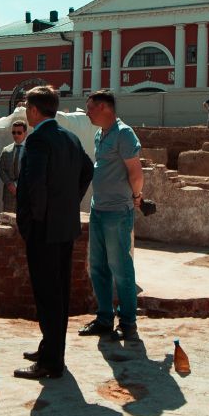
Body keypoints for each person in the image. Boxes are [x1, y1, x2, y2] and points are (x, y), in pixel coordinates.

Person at [14, 85, 93, 380]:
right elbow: (88, 170)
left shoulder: (38, 140)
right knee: (58, 292)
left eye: (27, 107)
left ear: (34, 111)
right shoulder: (69, 137)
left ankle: (51, 362)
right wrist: (69, 203)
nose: (26, 112)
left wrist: (34, 220)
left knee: (48, 294)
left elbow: (34, 185)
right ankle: (51, 348)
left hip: (44, 230)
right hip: (64, 227)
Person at [81, 90, 145, 343]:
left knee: (121, 269)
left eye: (90, 107)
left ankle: (128, 323)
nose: (87, 112)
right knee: (98, 267)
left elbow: (135, 172)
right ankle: (104, 318)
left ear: (104, 108)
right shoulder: (101, 134)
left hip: (117, 211)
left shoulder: (124, 133)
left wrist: (137, 196)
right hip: (98, 209)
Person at [0, 119, 28, 213]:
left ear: (25, 133)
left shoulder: (31, 150)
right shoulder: (6, 150)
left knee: (24, 220)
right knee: (8, 219)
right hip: (9, 194)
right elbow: (1, 169)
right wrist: (10, 184)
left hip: (25, 193)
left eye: (19, 132)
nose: (16, 135)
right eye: (14, 132)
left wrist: (17, 185)